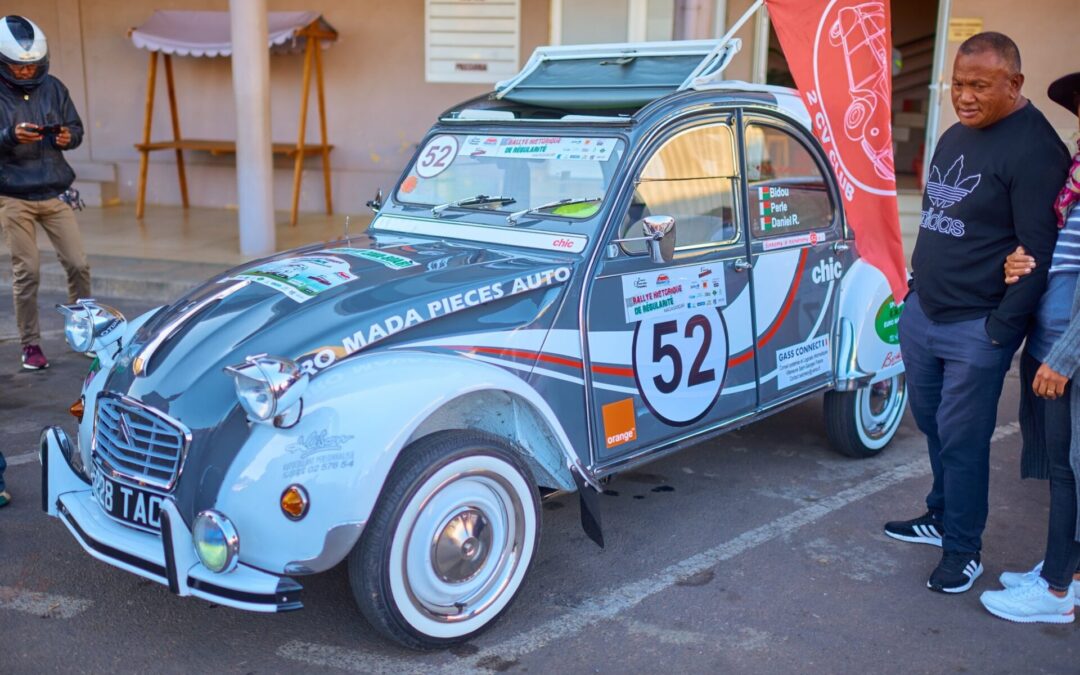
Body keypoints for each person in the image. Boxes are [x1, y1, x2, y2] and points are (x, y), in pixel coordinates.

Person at [884, 32, 1070, 593]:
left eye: (979, 86)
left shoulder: (1036, 150)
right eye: (957, 84)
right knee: (935, 426)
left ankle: (963, 550)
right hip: (926, 313)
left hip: (976, 327)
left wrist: (998, 331)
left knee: (964, 442)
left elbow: (1036, 256)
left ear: (1014, 84)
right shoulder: (957, 132)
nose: (963, 96)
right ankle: (940, 516)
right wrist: (914, 296)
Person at [979, 71, 1080, 623]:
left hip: (1071, 349)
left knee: (1070, 470)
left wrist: (1064, 357)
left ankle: (1056, 593)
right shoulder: (1076, 180)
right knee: (1066, 466)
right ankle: (1064, 571)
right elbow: (1061, 256)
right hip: (1055, 338)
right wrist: (1018, 261)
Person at [0, 14, 89, 370]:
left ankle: (86, 330)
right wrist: (9, 137)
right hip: (13, 195)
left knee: (79, 264)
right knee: (29, 272)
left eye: (31, 66)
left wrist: (69, 137)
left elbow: (76, 129)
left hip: (54, 191)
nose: (25, 73)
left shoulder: (54, 87)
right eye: (17, 68)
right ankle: (30, 344)